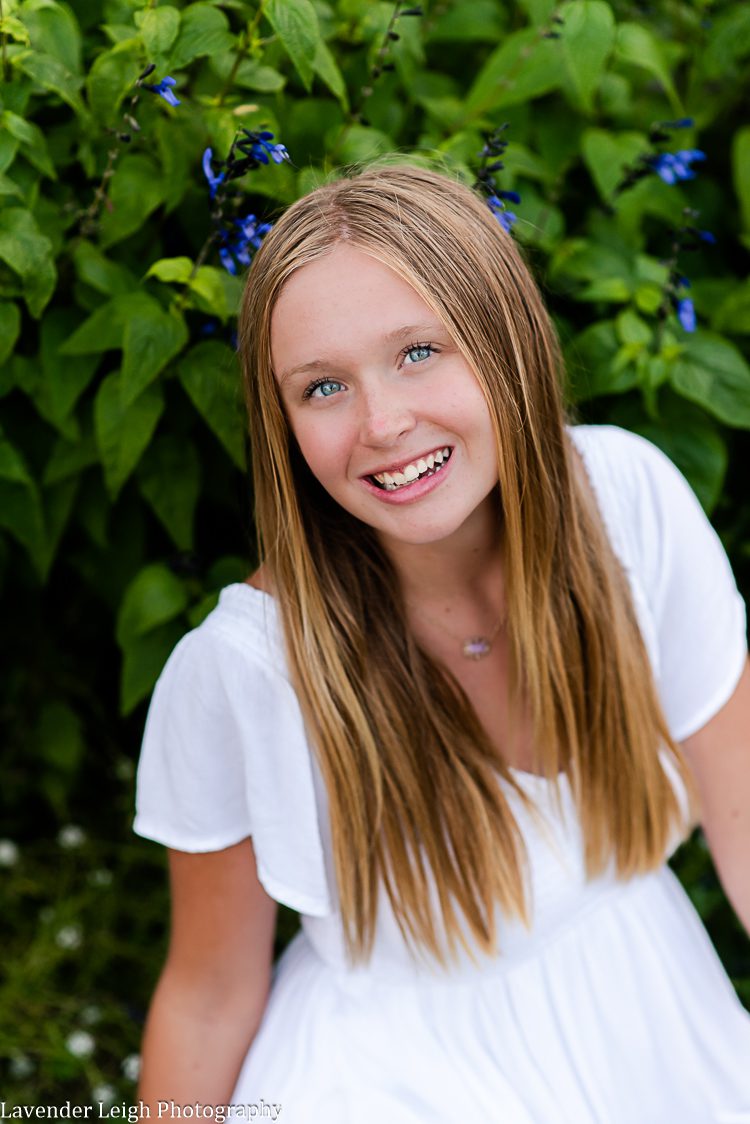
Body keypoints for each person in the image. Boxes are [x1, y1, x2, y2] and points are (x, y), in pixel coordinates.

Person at [132, 163, 750, 1123]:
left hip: (651, 1018)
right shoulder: (244, 673)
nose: (382, 423)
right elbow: (209, 997)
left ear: (503, 341)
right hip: (390, 1082)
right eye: (323, 386)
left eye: (418, 352)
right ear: (283, 425)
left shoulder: (633, 508)